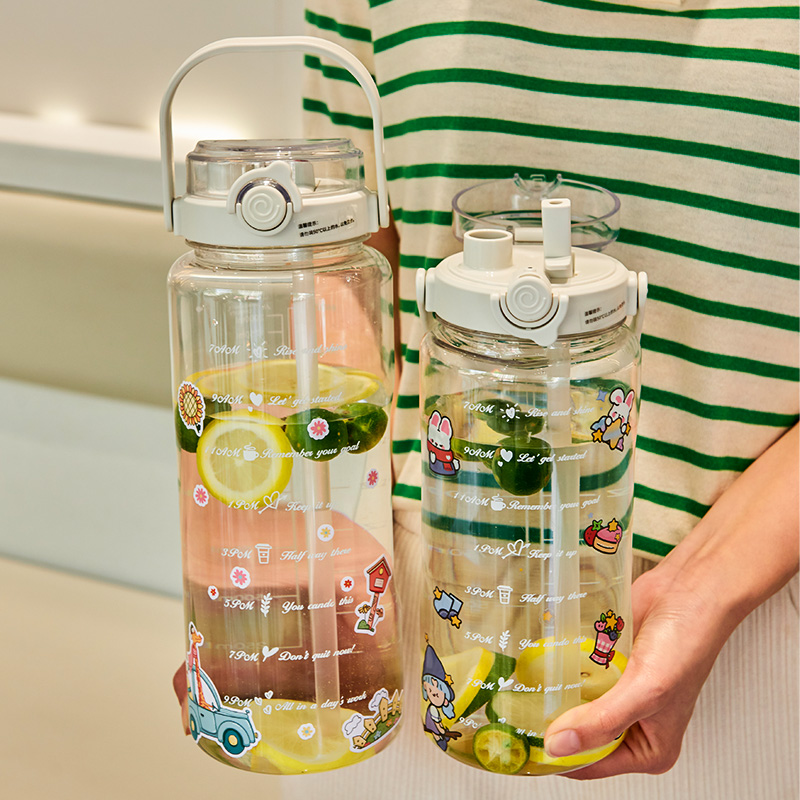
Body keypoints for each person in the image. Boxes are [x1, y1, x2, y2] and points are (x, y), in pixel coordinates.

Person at [299, 1, 799, 797]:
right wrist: (308, 537)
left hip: (735, 606)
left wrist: (702, 592)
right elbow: (352, 257)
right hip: (416, 587)